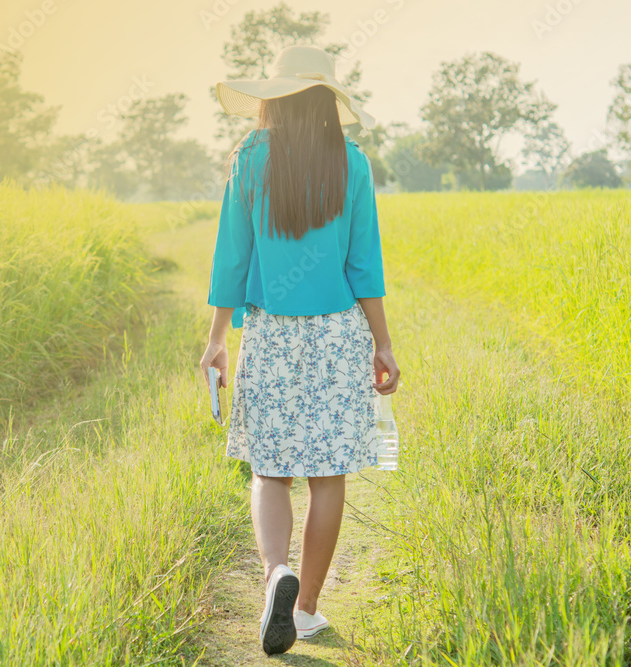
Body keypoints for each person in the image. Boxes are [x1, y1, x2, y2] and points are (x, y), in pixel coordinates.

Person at [199, 44, 401, 656]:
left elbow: (231, 258)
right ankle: (306, 608)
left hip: (271, 332)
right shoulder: (352, 161)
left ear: (274, 96)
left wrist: (215, 339)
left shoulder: (248, 158)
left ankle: (273, 578)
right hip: (339, 332)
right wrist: (383, 343)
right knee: (328, 475)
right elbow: (363, 263)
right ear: (325, 99)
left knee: (269, 469)